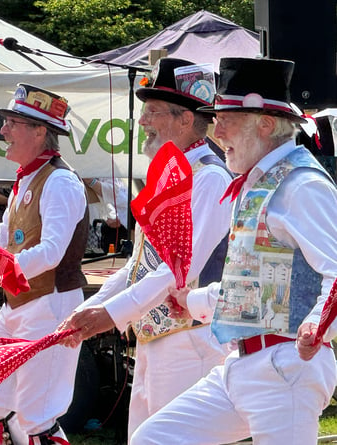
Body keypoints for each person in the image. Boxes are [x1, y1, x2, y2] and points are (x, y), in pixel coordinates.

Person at [131, 57, 337, 445]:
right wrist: (193, 301)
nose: (216, 129)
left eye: (227, 117)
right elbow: (256, 283)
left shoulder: (302, 185)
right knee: (152, 438)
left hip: (285, 368)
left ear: (264, 124)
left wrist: (319, 323)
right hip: (243, 365)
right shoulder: (260, 180)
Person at [58, 58, 233, 441]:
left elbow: (178, 270)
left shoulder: (209, 178)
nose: (142, 123)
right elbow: (140, 264)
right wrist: (94, 306)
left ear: (185, 120)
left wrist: (111, 312)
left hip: (192, 338)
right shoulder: (170, 175)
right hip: (158, 336)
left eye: (152, 112)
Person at [0, 84, 88, 445]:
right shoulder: (27, 178)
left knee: (37, 411)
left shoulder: (60, 181)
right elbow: (1, 245)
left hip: (51, 305)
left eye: (11, 123)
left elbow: (51, 252)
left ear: (40, 131)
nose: (3, 131)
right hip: (18, 304)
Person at [82, 176, 128, 254]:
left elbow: (115, 192)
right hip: (79, 224)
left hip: (102, 225)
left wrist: (91, 182)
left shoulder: (105, 168)